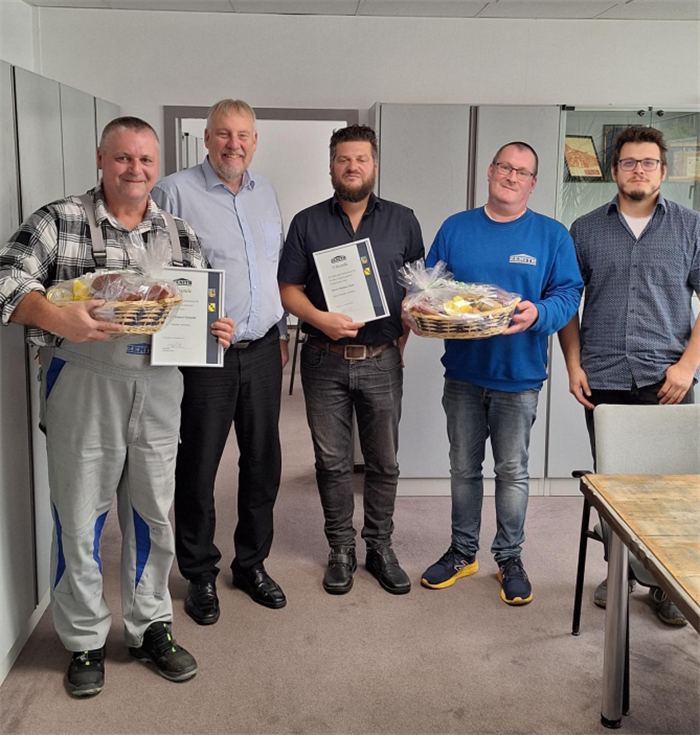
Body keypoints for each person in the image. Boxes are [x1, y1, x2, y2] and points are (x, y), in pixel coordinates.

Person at [0, 117, 234, 696]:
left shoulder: (178, 232)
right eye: (124, 158)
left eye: (146, 160)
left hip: (160, 385)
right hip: (83, 381)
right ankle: (83, 639)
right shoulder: (60, 219)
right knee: (80, 516)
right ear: (101, 159)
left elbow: (192, 308)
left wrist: (214, 329)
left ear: (158, 166)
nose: (136, 170)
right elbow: (5, 279)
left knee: (153, 512)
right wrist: (56, 317)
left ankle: (150, 625)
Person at [419, 142, 583, 605]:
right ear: (490, 171)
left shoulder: (552, 235)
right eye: (505, 167)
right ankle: (462, 552)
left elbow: (568, 295)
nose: (512, 177)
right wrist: (419, 308)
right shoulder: (456, 228)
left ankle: (509, 557)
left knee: (512, 472)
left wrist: (540, 313)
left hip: (519, 376)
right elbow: (430, 287)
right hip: (464, 374)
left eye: (522, 172)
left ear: (533, 183)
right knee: (463, 469)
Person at [152, 99, 288, 624]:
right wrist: (195, 323)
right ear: (206, 138)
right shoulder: (174, 191)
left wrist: (280, 330)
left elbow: (270, 268)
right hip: (205, 356)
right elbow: (156, 276)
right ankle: (200, 573)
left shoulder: (265, 191)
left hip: (263, 350)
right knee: (199, 465)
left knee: (263, 463)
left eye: (244, 135)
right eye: (224, 134)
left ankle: (251, 564)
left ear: (255, 141)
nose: (235, 144)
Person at [559, 125, 700, 626]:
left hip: (669, 380)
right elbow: (566, 302)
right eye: (629, 162)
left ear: (663, 171)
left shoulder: (690, 227)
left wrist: (688, 366)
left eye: (648, 162)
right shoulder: (584, 229)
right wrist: (573, 365)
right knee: (614, 485)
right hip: (604, 377)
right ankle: (619, 571)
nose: (638, 170)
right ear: (614, 171)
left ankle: (665, 583)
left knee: (670, 488)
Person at [279, 124, 424, 596]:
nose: (352, 167)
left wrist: (400, 346)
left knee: (384, 462)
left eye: (361, 159)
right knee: (332, 462)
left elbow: (417, 293)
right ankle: (340, 548)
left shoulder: (403, 221)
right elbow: (288, 289)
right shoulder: (307, 223)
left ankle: (379, 546)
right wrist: (320, 319)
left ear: (374, 166)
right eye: (344, 159)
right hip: (323, 361)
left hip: (382, 359)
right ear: (331, 167)